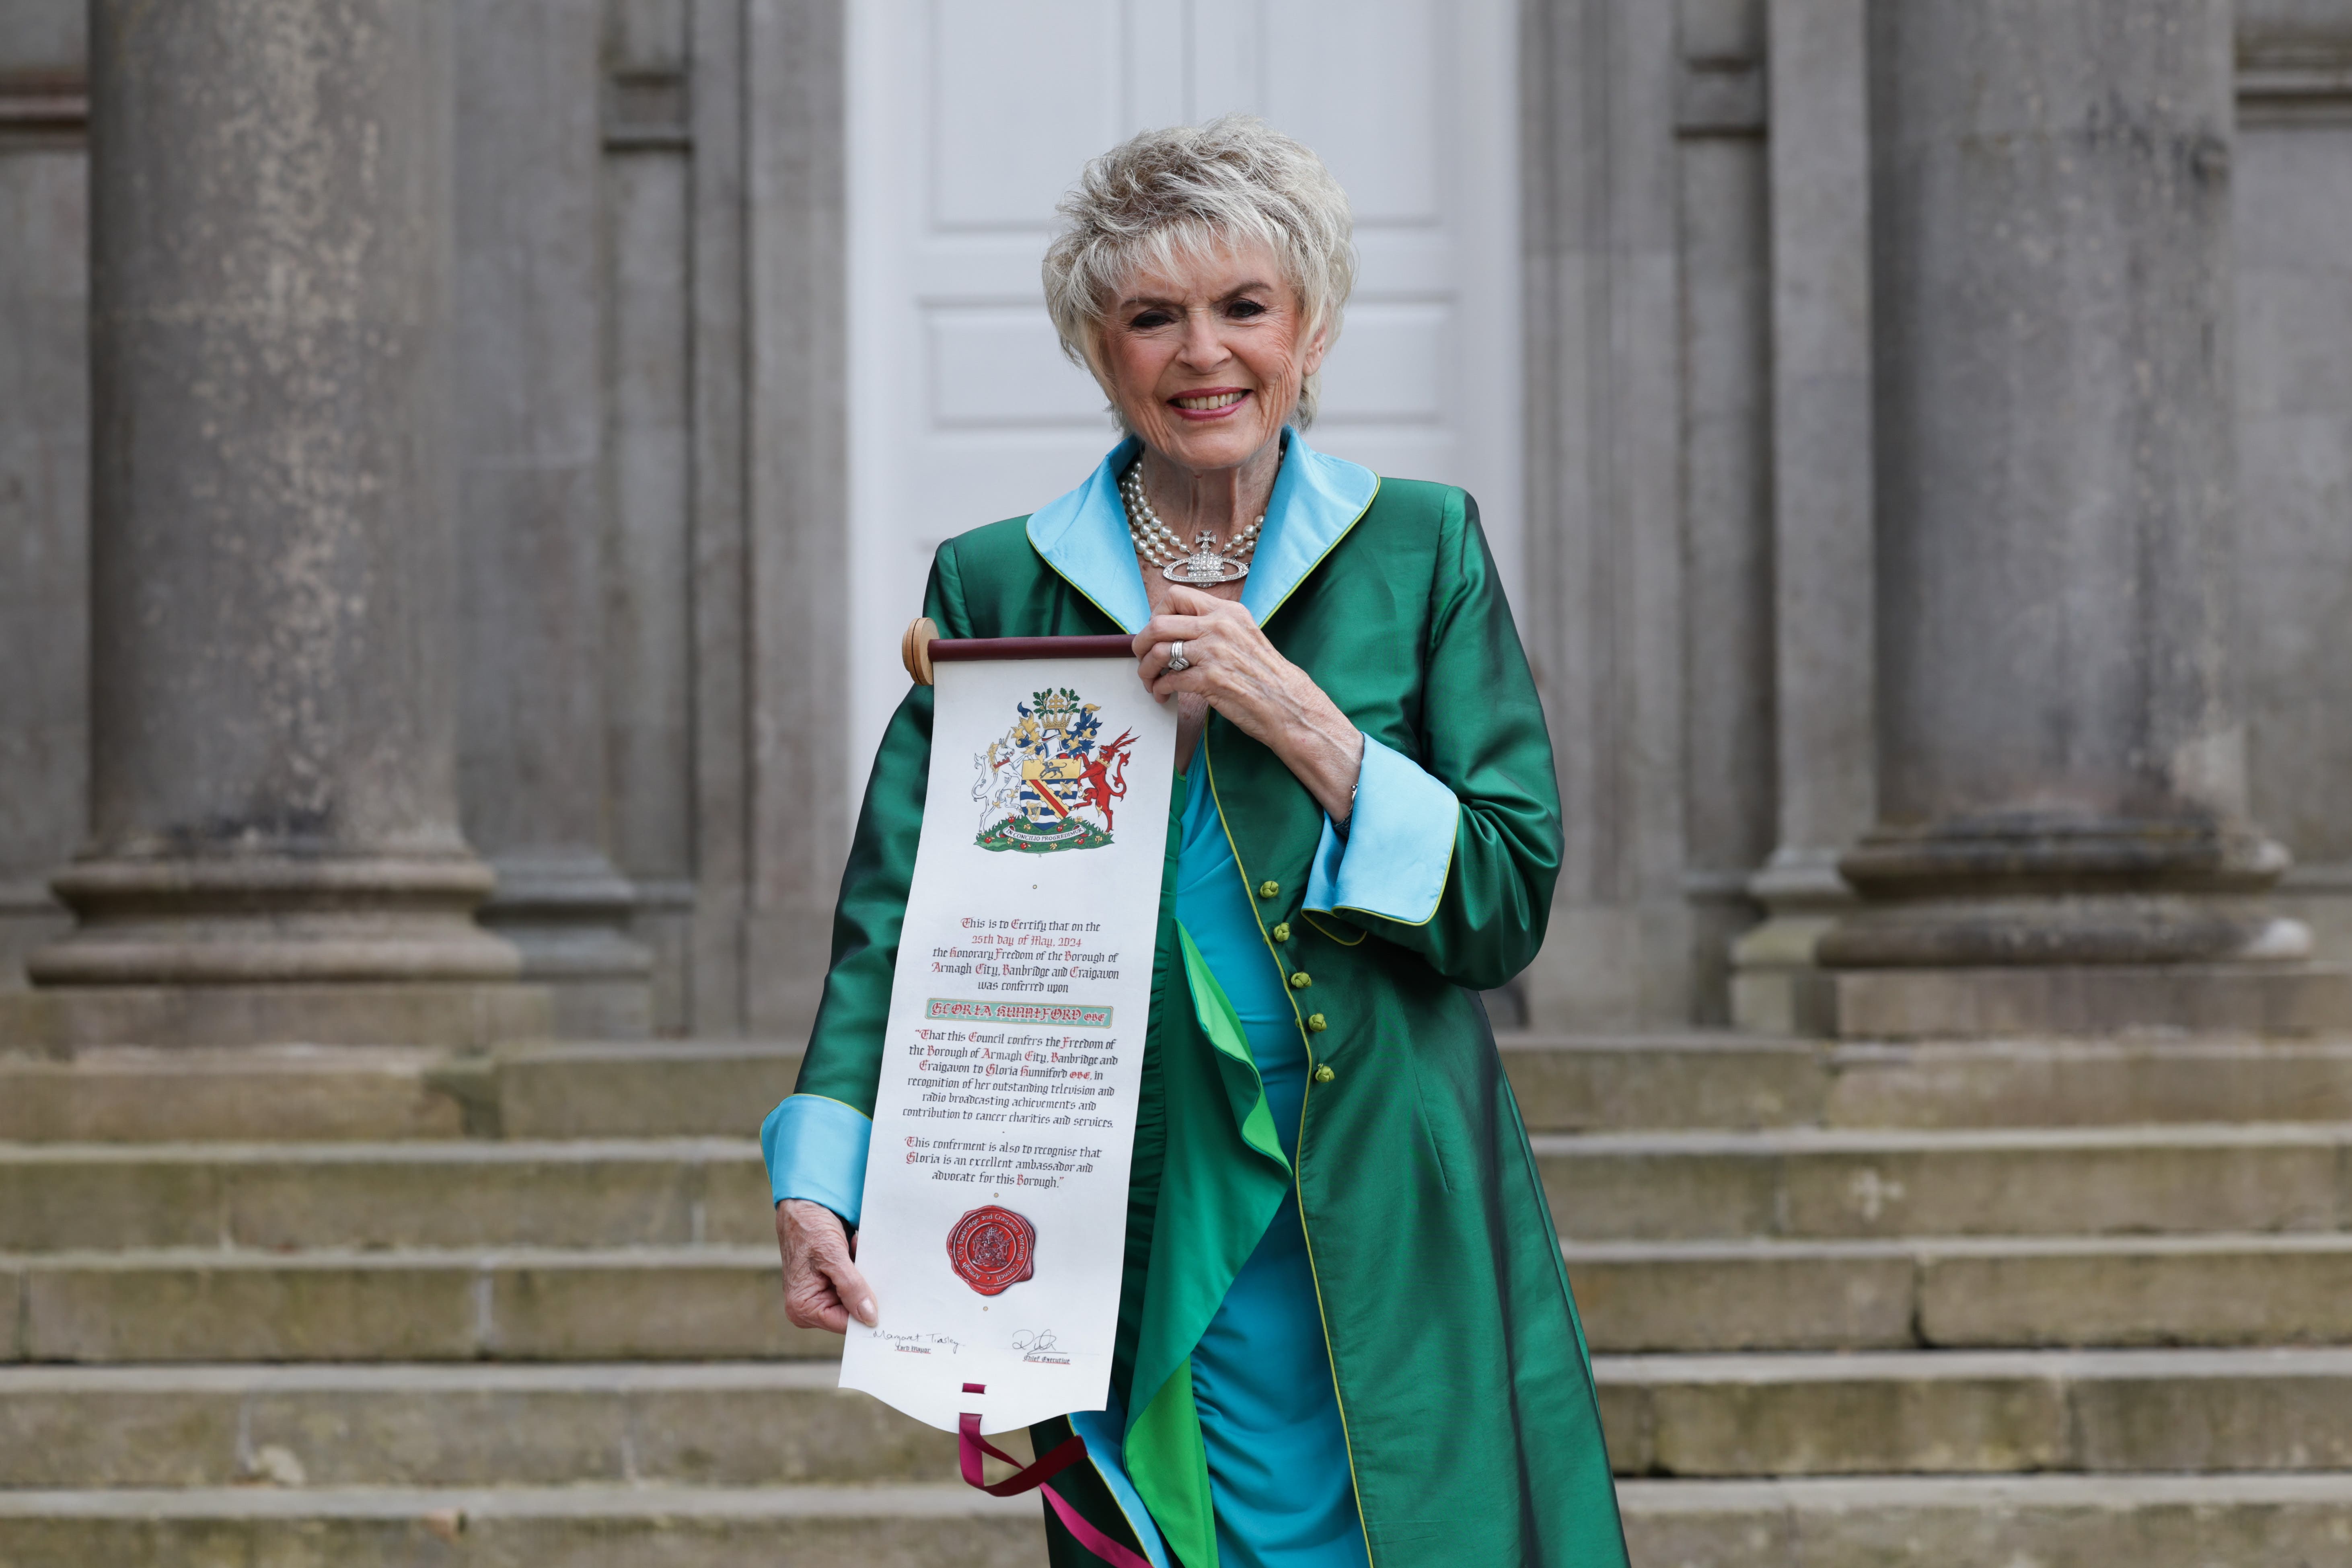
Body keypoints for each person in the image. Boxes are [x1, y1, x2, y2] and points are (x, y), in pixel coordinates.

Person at [761, 115, 1628, 1568]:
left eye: (1244, 307)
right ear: (1101, 353)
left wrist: (1303, 719)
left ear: (1314, 327)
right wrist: (821, 1170)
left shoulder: (1422, 548)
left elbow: (1506, 897)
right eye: (1151, 317)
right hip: (1118, 1192)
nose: (1202, 352)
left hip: (1379, 1179)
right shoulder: (997, 578)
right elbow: (896, 911)